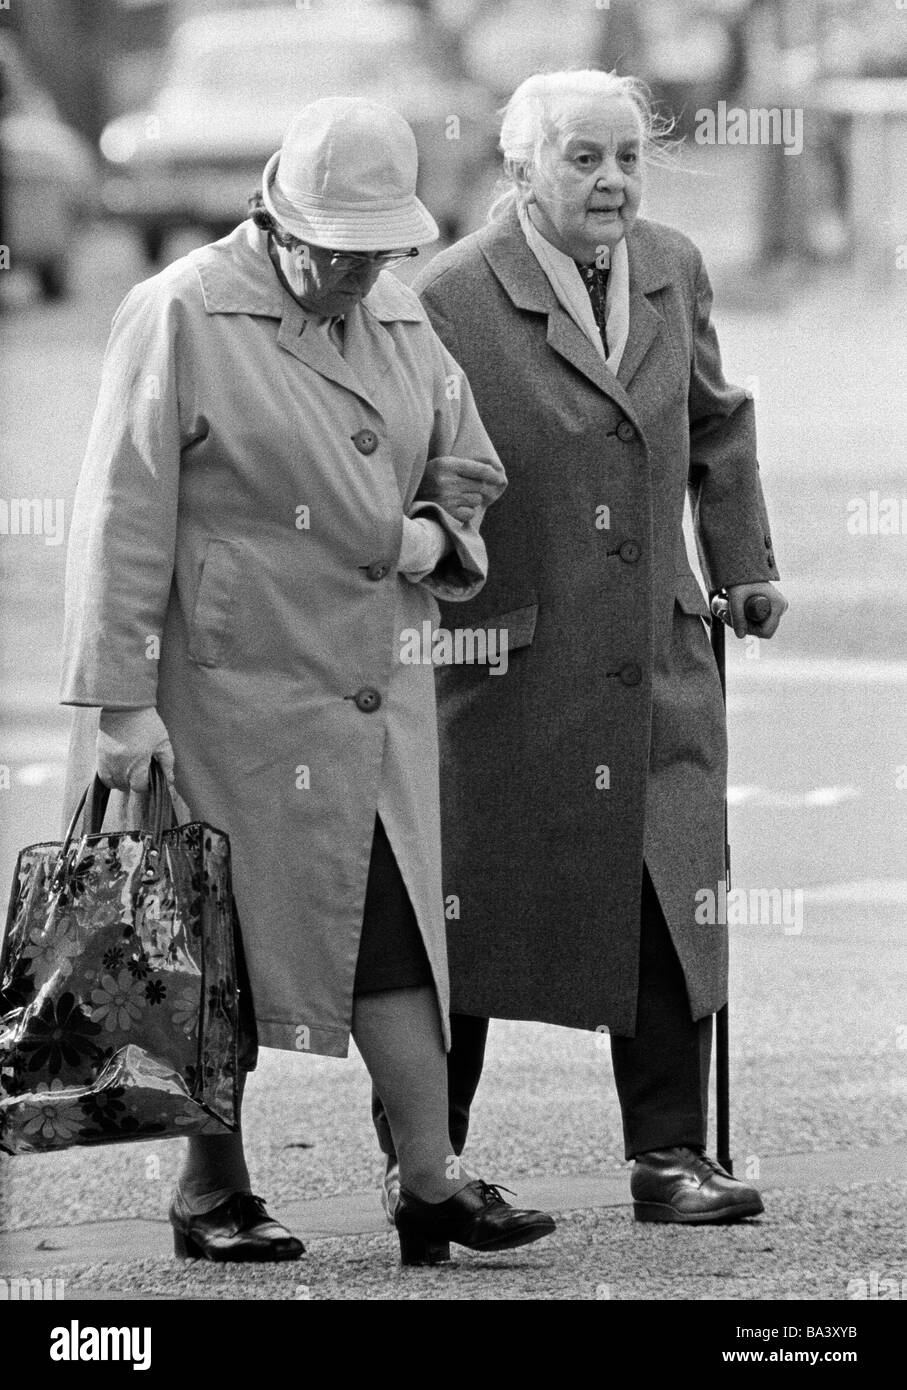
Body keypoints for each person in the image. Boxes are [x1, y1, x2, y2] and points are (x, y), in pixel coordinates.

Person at [60, 96, 553, 1266]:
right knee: (206, 944)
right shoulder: (179, 309)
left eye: (376, 248)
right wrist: (121, 701)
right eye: (336, 247)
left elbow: (466, 462)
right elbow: (120, 515)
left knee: (388, 931)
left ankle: (429, 1178)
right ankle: (210, 1187)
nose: (355, 271)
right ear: (276, 220)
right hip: (219, 693)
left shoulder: (393, 309)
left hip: (363, 689)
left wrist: (437, 534)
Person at [373, 69, 788, 1225]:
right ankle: (427, 1162)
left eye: (626, 158)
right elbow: (416, 464)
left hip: (656, 649)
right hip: (502, 665)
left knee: (670, 894)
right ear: (520, 172)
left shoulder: (671, 266)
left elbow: (715, 418)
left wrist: (743, 563)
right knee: (472, 907)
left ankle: (670, 1153)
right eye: (582, 159)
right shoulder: (445, 296)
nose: (611, 181)